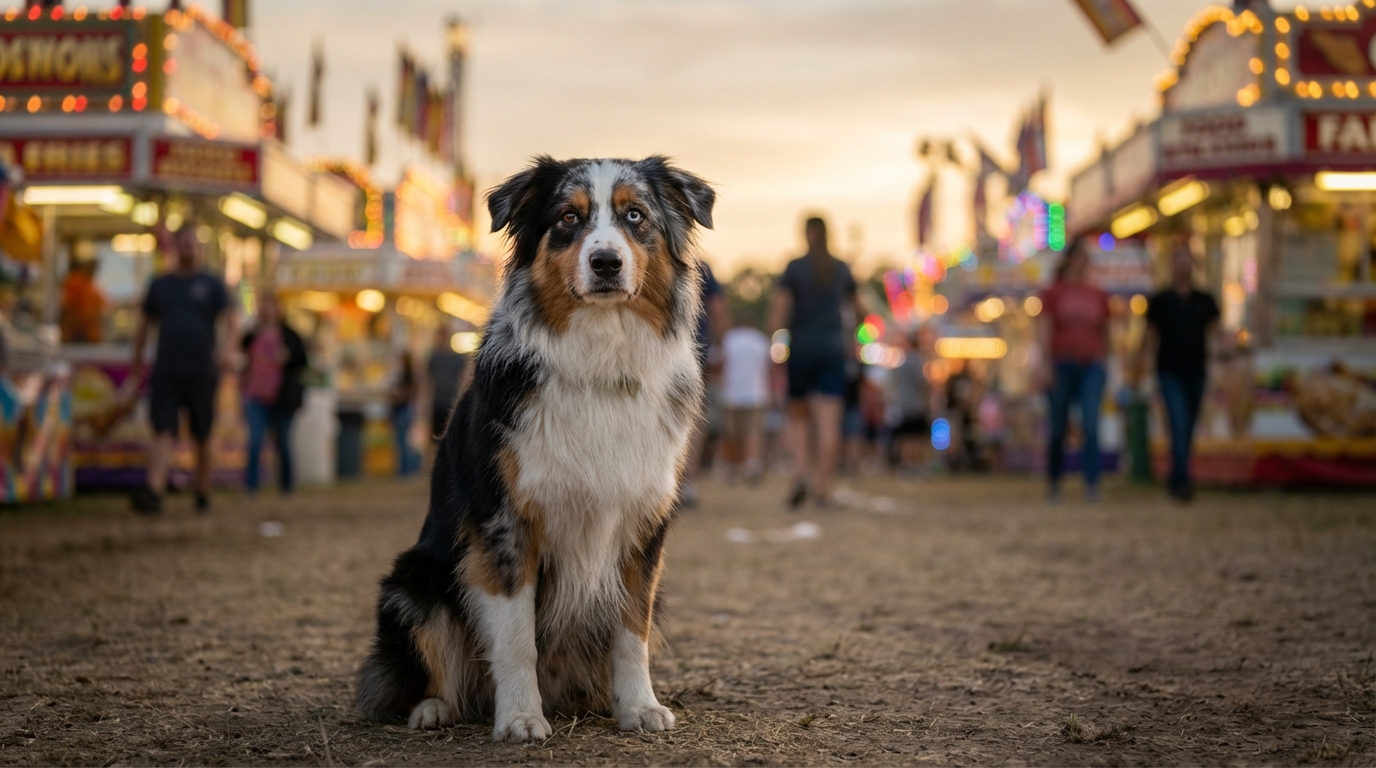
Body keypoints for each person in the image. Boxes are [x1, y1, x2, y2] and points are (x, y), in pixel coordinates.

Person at [129, 227, 236, 514]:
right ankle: (155, 489)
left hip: (202, 370)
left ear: (199, 249)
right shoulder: (161, 285)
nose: (188, 248)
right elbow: (143, 327)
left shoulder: (211, 284)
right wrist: (136, 364)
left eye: (192, 244)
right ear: (175, 247)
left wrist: (227, 350)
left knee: (202, 433)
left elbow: (231, 321)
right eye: (183, 243)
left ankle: (202, 490)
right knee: (162, 429)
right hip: (167, 369)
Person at [767, 216, 863, 508]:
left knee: (797, 418)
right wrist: (855, 340)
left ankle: (800, 471)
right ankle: (823, 487)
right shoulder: (841, 268)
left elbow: (781, 307)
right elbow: (860, 309)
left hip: (802, 351)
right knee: (829, 423)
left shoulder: (795, 268)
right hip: (833, 351)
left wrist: (773, 341)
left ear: (806, 235)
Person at [1142, 247, 1220, 502]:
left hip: (1196, 371)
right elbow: (1150, 336)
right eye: (1178, 259)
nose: (1183, 265)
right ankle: (1183, 483)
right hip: (1169, 371)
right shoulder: (1161, 301)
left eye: (1187, 260)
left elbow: (1217, 334)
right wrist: (1141, 364)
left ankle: (1177, 475)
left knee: (1187, 428)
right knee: (1178, 422)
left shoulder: (1204, 300)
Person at [1037, 238, 1111, 502]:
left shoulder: (1097, 294)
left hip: (1091, 364)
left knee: (1091, 425)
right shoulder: (1054, 293)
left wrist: (1106, 361)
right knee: (1058, 426)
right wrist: (1045, 364)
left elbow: (1106, 330)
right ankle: (1055, 481)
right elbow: (1045, 329)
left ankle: (1092, 482)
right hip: (1061, 363)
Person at [239, 294, 307, 494]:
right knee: (255, 442)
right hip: (255, 395)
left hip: (281, 397)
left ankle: (286, 486)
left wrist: (289, 358)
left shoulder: (290, 336)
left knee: (284, 444)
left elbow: (303, 362)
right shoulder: (251, 336)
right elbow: (241, 359)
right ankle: (251, 486)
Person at [680, 260, 727, 507]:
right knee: (691, 417)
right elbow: (717, 308)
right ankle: (686, 482)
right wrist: (718, 347)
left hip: (657, 346)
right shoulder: (702, 267)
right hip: (696, 350)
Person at [719, 310, 771, 482]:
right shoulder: (760, 340)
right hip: (756, 393)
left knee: (732, 433)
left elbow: (720, 363)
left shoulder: (729, 339)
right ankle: (752, 464)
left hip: (731, 394)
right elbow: (768, 367)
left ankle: (731, 465)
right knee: (753, 431)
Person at [889, 331, 931, 478]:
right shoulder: (916, 360)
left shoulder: (903, 361)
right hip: (916, 405)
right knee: (917, 437)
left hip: (904, 405)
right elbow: (922, 383)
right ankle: (917, 465)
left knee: (906, 437)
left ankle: (907, 465)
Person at [425, 325, 470, 440]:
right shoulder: (436, 357)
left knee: (445, 437)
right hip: (441, 402)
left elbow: (463, 380)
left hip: (448, 402)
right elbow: (428, 383)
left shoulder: (452, 358)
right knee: (439, 438)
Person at [60, 247, 105, 343]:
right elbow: (68, 308)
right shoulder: (75, 281)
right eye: (92, 264)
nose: (95, 269)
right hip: (78, 334)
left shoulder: (90, 283)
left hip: (89, 334)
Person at [389, 350, 421, 476]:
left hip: (404, 409)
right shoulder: (405, 375)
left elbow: (405, 393)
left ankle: (406, 470)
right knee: (404, 442)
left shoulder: (406, 376)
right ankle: (406, 469)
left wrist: (396, 395)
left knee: (403, 443)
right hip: (404, 409)